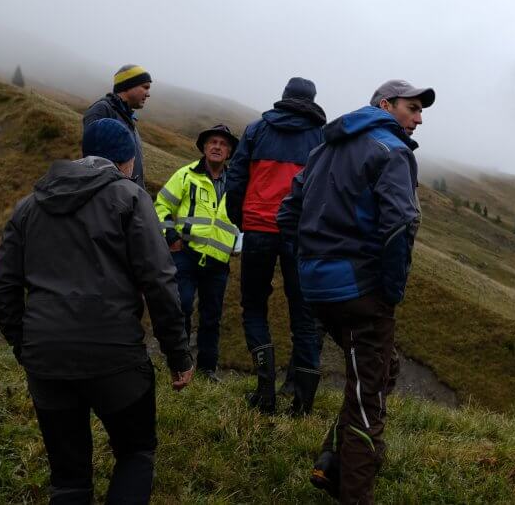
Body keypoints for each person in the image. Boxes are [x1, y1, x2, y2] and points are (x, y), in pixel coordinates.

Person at [0, 118, 193, 504]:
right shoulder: (131, 197)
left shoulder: (29, 206)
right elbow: (160, 280)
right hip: (115, 355)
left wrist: (25, 343)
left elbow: (3, 285)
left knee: (68, 478)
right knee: (135, 452)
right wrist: (178, 354)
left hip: (46, 357)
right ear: (127, 160)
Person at [278, 79, 435, 504]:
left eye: (422, 111)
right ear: (386, 105)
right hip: (362, 290)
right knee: (369, 402)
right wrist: (391, 290)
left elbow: (288, 211)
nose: (419, 119)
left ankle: (330, 461)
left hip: (317, 286)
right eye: (413, 108)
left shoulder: (323, 149)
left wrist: (307, 263)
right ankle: (353, 491)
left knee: (383, 370)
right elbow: (401, 223)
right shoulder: (392, 151)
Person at [225, 77, 325, 415]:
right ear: (312, 100)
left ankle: (265, 391)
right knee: (304, 316)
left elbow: (236, 178)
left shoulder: (256, 130)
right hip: (300, 234)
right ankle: (303, 404)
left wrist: (242, 220)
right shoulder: (322, 138)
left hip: (257, 230)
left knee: (254, 307)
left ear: (283, 97)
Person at [154, 124, 239, 382]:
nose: (217, 146)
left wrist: (237, 242)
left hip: (218, 262)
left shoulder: (236, 183)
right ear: (203, 147)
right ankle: (180, 364)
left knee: (211, 317)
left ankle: (207, 370)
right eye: (212, 142)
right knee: (182, 306)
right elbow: (161, 205)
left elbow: (241, 217)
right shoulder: (186, 175)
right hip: (186, 255)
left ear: (229, 152)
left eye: (223, 144)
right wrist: (171, 237)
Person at [83, 64, 152, 190]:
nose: (148, 94)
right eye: (145, 87)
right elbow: (94, 162)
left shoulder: (127, 116)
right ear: (128, 85)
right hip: (113, 199)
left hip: (128, 196)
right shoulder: (102, 110)